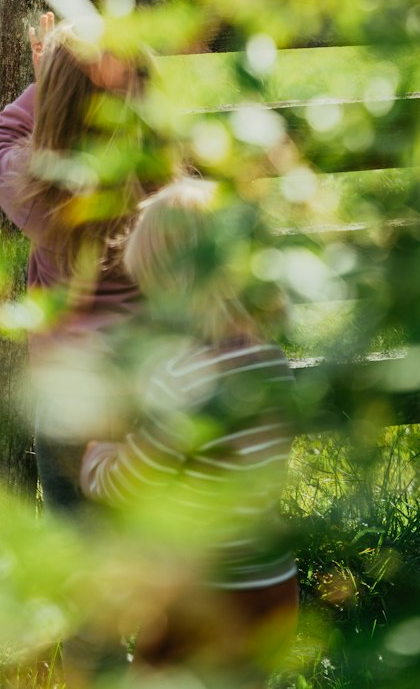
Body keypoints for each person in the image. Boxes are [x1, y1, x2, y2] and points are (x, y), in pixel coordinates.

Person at [79, 178, 299, 680]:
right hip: (271, 582)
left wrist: (100, 456)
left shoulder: (183, 376)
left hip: (201, 592)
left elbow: (130, 481)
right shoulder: (269, 361)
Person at [0, 11, 156, 511]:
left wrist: (44, 92)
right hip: (153, 391)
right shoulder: (165, 197)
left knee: (77, 533)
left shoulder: (43, 194)